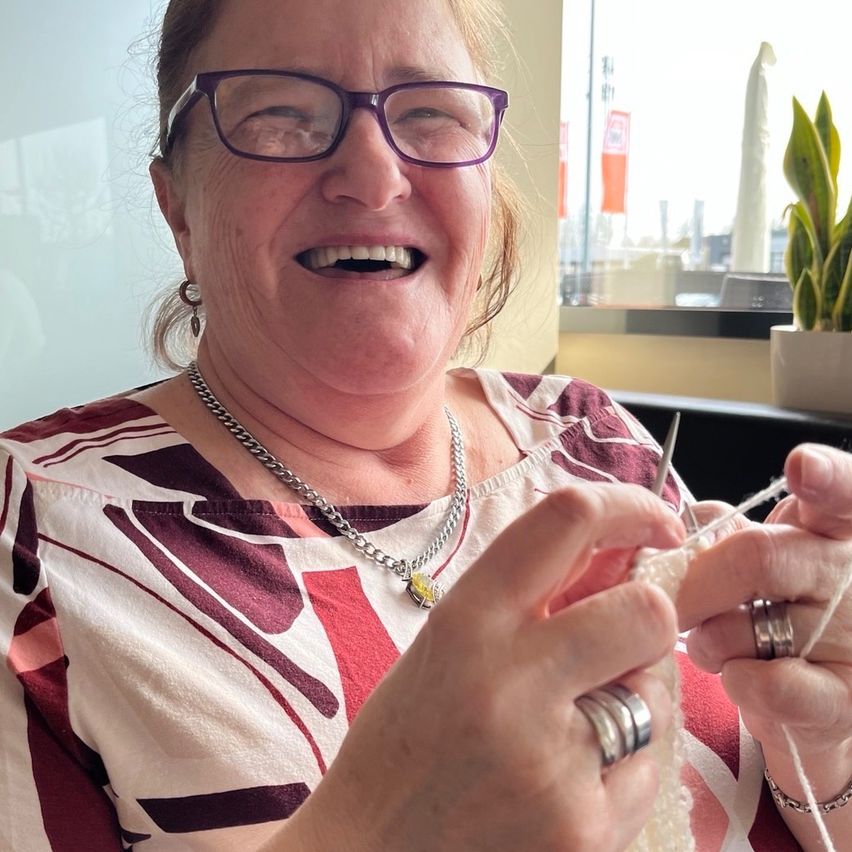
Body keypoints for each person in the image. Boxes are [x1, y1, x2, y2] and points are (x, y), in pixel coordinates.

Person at [1, 0, 850, 849]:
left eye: (431, 113)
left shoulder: (591, 437)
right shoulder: (30, 545)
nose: (373, 176)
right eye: (282, 116)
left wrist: (826, 750)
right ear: (177, 204)